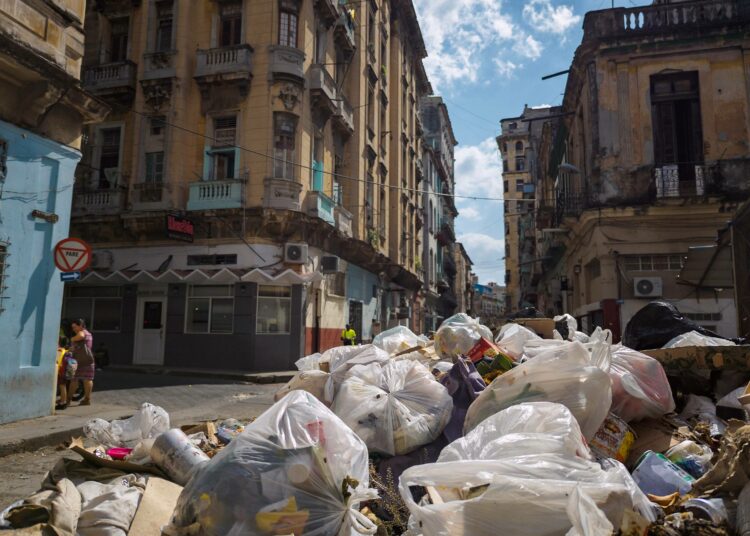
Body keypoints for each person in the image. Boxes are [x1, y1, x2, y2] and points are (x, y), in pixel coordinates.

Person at [68, 319, 94, 406]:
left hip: (78, 361)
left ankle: (68, 400)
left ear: (81, 325)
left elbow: (81, 336)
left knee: (74, 380)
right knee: (88, 380)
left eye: (75, 327)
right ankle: (87, 399)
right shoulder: (89, 334)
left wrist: (72, 339)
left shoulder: (82, 332)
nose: (73, 329)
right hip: (88, 360)